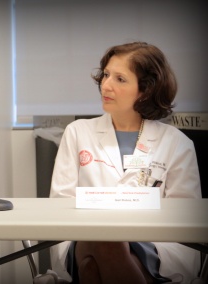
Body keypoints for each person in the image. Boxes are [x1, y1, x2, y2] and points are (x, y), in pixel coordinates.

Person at [49, 42, 201, 284]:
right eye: (106, 75)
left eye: (120, 79)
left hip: (156, 245)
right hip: (83, 239)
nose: (105, 85)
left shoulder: (177, 143)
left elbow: (185, 221)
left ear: (146, 90)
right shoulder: (78, 132)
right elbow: (61, 203)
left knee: (93, 267)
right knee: (105, 237)